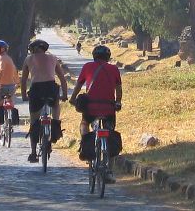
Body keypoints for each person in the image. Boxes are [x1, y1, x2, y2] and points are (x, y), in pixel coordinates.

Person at [69, 44, 123, 182]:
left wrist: (73, 98)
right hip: (108, 108)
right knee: (109, 135)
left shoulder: (87, 66)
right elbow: (119, 89)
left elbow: (79, 85)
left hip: (91, 108)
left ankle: (85, 142)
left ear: (94, 56)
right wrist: (118, 102)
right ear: (108, 57)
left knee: (84, 123)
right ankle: (109, 171)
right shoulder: (114, 69)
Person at [19, 38, 68, 163]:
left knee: (34, 120)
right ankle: (56, 124)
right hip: (51, 88)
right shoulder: (53, 58)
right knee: (56, 106)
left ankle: (34, 153)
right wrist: (65, 95)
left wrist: (24, 95)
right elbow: (62, 79)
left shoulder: (28, 59)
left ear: (33, 49)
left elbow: (23, 80)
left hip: (36, 89)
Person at [0, 39, 20, 140]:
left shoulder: (1, 58)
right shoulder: (9, 59)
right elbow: (15, 71)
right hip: (11, 86)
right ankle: (10, 120)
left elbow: (1, 70)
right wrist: (17, 83)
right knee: (10, 102)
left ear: (2, 49)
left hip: (2, 86)